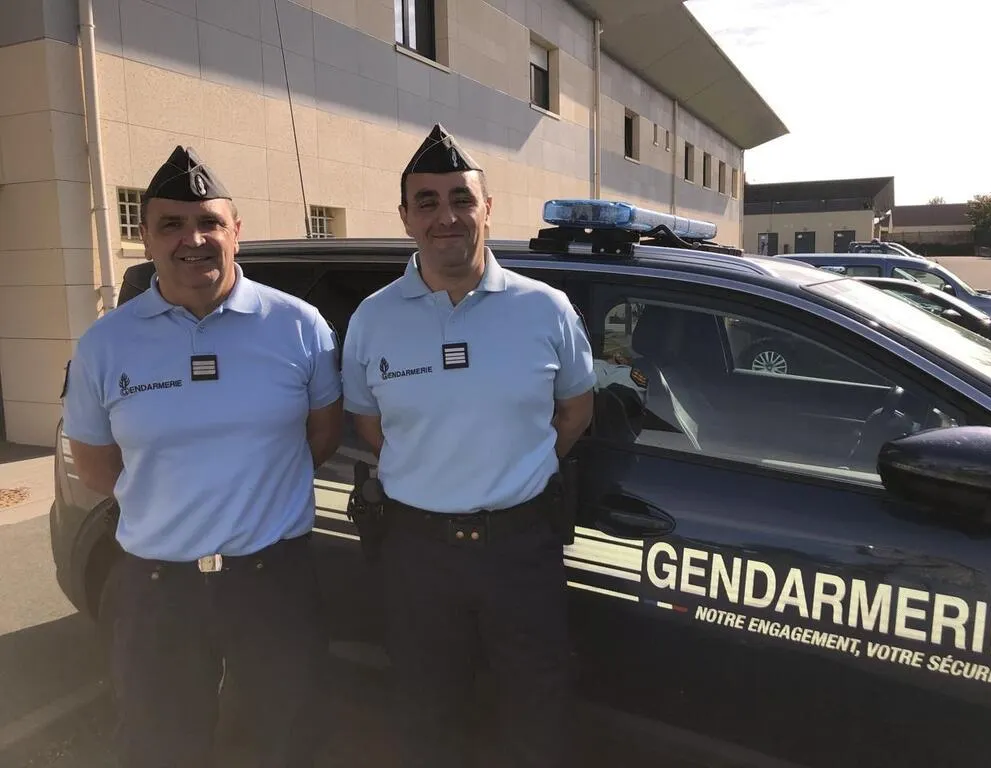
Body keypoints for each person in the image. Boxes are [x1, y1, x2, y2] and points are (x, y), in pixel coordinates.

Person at [62, 145, 343, 767]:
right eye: (171, 225)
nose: (193, 239)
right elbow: (97, 466)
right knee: (160, 744)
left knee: (287, 738)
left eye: (209, 222)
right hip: (157, 586)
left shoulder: (298, 326)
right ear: (145, 238)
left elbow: (321, 437)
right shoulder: (106, 344)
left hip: (273, 582)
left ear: (235, 231)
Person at [341, 124, 596, 768]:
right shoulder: (373, 318)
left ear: (488, 207)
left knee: (537, 709)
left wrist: (515, 469)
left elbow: (575, 412)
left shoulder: (546, 309)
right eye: (426, 202)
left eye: (461, 198)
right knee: (425, 710)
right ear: (405, 217)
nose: (446, 216)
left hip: (521, 547)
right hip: (416, 552)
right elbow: (370, 425)